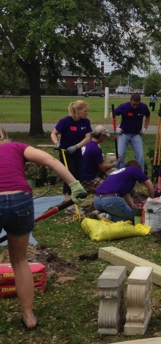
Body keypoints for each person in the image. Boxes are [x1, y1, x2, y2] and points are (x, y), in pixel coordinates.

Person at [0, 125, 86, 330]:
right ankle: (28, 317)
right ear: (4, 136)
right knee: (20, 260)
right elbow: (50, 160)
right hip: (21, 200)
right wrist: (75, 185)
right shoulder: (17, 147)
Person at [50, 100, 92, 212]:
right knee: (69, 177)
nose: (87, 113)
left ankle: (76, 201)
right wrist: (57, 143)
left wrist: (76, 146)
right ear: (77, 111)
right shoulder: (65, 121)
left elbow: (87, 138)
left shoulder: (86, 122)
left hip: (77, 152)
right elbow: (53, 133)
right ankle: (68, 206)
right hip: (65, 153)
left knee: (79, 176)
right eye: (85, 111)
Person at [111, 92, 151, 172]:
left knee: (140, 155)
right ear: (130, 101)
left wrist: (145, 128)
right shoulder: (124, 106)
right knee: (120, 155)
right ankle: (119, 173)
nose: (135, 106)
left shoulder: (143, 107)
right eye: (133, 104)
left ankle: (140, 175)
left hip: (136, 134)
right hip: (123, 134)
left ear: (139, 102)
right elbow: (112, 114)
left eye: (137, 105)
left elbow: (148, 116)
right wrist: (115, 128)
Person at [82, 125, 118, 193]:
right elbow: (102, 167)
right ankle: (88, 186)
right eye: (105, 136)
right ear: (101, 136)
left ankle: (86, 185)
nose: (105, 138)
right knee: (110, 188)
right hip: (88, 177)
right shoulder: (95, 149)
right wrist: (114, 164)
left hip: (81, 173)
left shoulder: (87, 143)